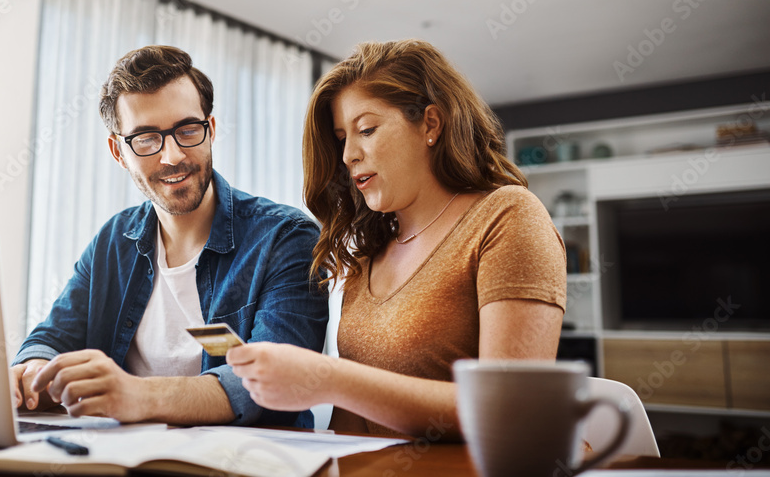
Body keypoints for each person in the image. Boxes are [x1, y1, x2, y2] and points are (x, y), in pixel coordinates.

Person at [227, 38, 566, 438]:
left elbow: (511, 411)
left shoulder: (506, 216)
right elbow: (353, 424)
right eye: (341, 139)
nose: (348, 154)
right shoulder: (370, 253)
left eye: (366, 129)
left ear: (431, 124)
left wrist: (329, 378)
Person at [12, 45, 328, 428]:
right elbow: (52, 338)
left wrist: (134, 395)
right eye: (146, 138)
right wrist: (32, 372)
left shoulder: (285, 238)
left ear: (210, 131)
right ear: (118, 152)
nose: (172, 156)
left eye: (187, 130)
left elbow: (274, 382)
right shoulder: (114, 241)